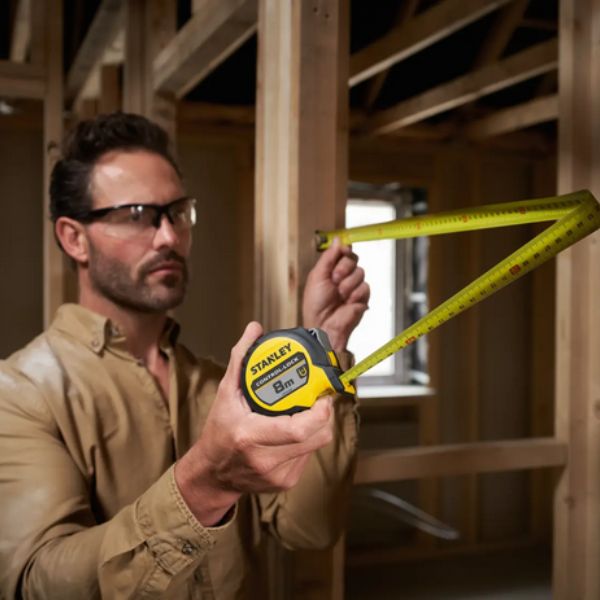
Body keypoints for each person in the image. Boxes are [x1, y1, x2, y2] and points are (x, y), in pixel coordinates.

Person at [0, 112, 369, 599]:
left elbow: (309, 530)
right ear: (74, 238)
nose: (169, 237)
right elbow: (35, 585)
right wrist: (203, 487)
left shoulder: (220, 387)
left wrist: (327, 346)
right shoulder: (21, 394)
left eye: (177, 213)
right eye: (137, 215)